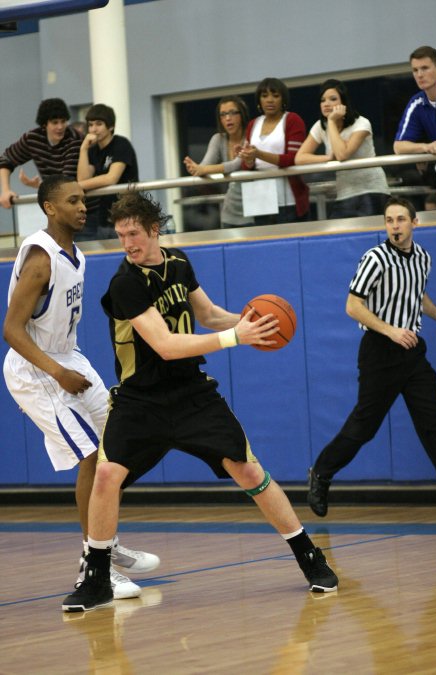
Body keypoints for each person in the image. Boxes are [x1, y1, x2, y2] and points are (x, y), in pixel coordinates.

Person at [61, 190, 338, 612]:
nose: (128, 243)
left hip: (192, 394)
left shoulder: (179, 263)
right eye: (120, 236)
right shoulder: (125, 283)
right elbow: (166, 345)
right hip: (141, 400)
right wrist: (235, 338)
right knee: (105, 476)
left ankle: (309, 557)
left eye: (133, 233)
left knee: (248, 470)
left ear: (155, 230)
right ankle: (97, 578)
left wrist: (250, 323)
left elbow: (207, 314)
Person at [2, 175, 160, 599]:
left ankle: (104, 540)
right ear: (50, 208)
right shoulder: (41, 257)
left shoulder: (77, 253)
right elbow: (12, 331)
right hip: (37, 369)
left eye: (84, 199)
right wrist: (56, 373)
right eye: (72, 200)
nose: (82, 206)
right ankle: (95, 566)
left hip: (68, 359)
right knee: (90, 455)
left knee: (117, 446)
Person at [306, 196, 436, 518]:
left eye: (400, 219)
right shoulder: (375, 258)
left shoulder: (423, 258)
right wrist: (390, 330)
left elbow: (417, 293)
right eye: (389, 220)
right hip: (380, 351)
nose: (394, 226)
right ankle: (322, 472)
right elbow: (352, 305)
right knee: (364, 427)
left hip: (412, 353)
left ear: (415, 222)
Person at [295, 79, 390, 218]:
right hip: (345, 192)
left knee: (371, 236)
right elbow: (299, 158)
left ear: (343, 103)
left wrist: (332, 122)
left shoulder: (361, 123)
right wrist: (327, 158)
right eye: (323, 100)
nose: (326, 104)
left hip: (371, 190)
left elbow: (342, 155)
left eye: (333, 99)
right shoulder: (320, 126)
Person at [238, 77, 309, 225]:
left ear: (283, 99)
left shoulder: (292, 120)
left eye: (275, 96)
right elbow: (247, 167)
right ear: (259, 100)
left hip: (288, 198)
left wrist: (258, 154)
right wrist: (247, 158)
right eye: (264, 96)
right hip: (259, 198)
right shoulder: (253, 124)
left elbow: (293, 159)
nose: (270, 100)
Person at [183, 95, 254, 228]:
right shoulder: (218, 139)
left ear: (242, 115)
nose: (228, 118)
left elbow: (234, 165)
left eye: (232, 113)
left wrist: (203, 169)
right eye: (223, 114)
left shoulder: (251, 136)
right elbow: (204, 166)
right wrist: (195, 168)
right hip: (230, 210)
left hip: (255, 210)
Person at [0, 98, 82, 209]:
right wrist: (5, 190)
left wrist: (39, 186)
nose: (60, 127)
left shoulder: (74, 139)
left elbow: (65, 182)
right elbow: (5, 160)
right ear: (44, 124)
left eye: (63, 121)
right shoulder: (33, 138)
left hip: (82, 204)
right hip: (56, 204)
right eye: (55, 122)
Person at [394, 46, 436, 204]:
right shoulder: (416, 103)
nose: (419, 74)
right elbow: (399, 146)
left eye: (425, 68)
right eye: (415, 70)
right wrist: (427, 147)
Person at [77, 104, 139, 240]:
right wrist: (83, 149)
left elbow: (111, 178)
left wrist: (78, 187)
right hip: (105, 217)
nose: (93, 129)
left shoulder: (121, 144)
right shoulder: (93, 150)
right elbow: (82, 178)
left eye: (99, 124)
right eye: (91, 124)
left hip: (128, 215)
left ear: (110, 126)